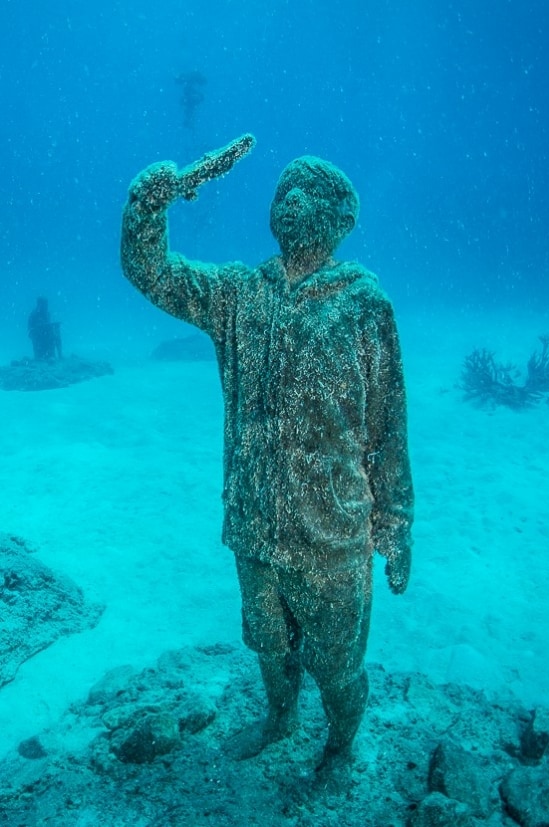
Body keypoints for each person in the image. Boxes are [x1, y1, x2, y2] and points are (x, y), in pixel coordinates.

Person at [121, 135, 414, 771]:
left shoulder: (365, 306)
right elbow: (154, 272)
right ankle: (279, 718)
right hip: (255, 524)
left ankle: (338, 750)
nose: (290, 200)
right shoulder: (238, 295)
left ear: (340, 220)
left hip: (334, 531)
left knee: (337, 663)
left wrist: (395, 522)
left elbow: (388, 426)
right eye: (282, 190)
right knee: (268, 642)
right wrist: (151, 201)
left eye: (308, 192)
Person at [28, 297, 62, 361]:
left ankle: (60, 355)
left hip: (47, 339)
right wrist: (38, 329)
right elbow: (30, 332)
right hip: (39, 341)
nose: (46, 307)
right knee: (54, 330)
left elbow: (47, 326)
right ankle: (50, 355)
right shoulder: (33, 315)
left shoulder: (47, 314)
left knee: (56, 330)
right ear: (39, 305)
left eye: (46, 305)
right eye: (44, 305)